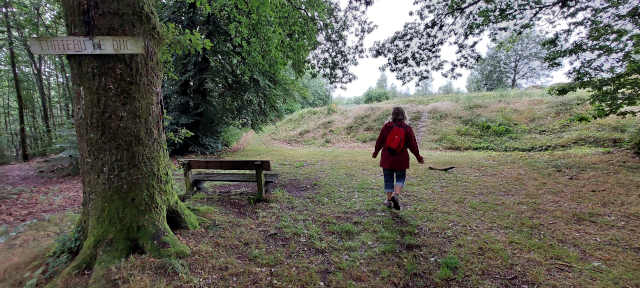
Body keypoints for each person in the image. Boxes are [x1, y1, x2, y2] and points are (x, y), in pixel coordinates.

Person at [372, 106, 424, 210]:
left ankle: (389, 201)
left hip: (387, 159)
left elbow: (379, 141)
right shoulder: (407, 129)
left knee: (388, 179)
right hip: (401, 159)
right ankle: (396, 194)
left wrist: (375, 153)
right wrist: (419, 157)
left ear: (393, 115)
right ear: (404, 115)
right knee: (400, 178)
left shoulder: (386, 127)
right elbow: (413, 145)